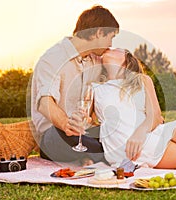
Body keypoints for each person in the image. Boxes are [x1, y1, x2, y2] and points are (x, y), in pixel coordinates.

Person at [30, 5, 119, 164]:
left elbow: (121, 74)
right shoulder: (53, 58)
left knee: (117, 131)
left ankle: (93, 154)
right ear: (99, 32)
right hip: (57, 136)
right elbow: (44, 103)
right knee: (63, 137)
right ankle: (110, 153)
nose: (111, 44)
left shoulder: (95, 60)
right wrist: (67, 124)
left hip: (86, 133)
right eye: (110, 37)